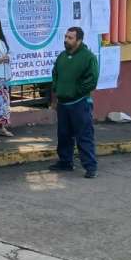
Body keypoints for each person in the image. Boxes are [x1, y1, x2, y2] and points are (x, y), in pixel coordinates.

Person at [48, 26, 100, 179]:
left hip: (80, 103)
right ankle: (65, 162)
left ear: (79, 40)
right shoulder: (62, 57)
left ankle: (90, 166)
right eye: (65, 37)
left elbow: (92, 80)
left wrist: (75, 91)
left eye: (70, 38)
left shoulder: (88, 57)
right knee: (63, 135)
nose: (66, 40)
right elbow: (55, 73)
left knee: (84, 135)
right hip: (63, 104)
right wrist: (57, 91)